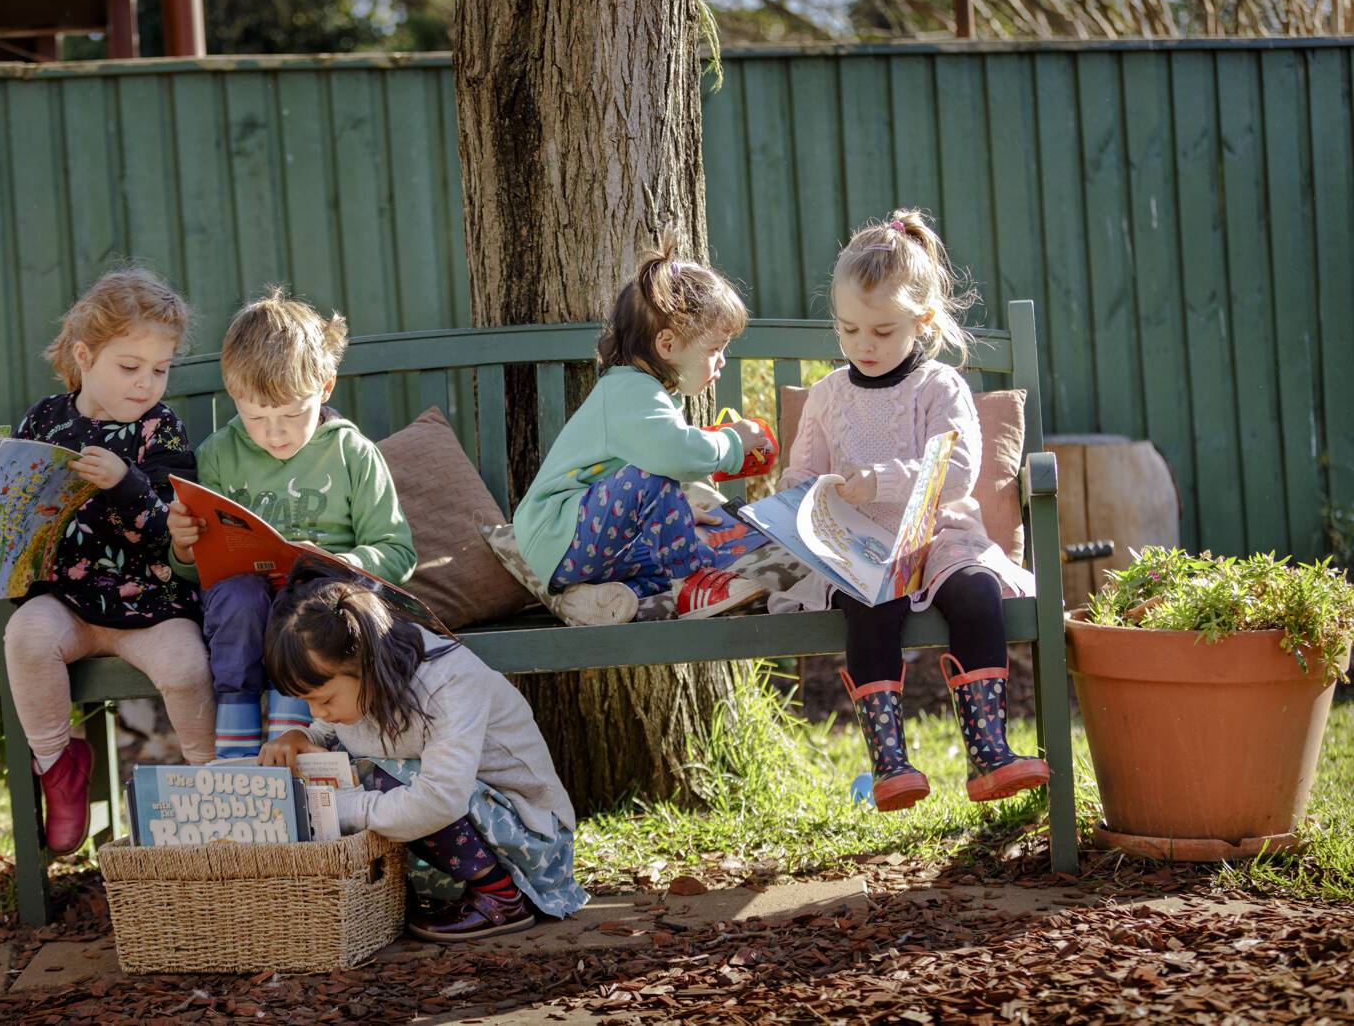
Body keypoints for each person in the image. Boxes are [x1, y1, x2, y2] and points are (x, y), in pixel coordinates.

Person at [777, 209, 1048, 811]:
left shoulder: (938, 388)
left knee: (976, 593)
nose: (862, 346)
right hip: (864, 549)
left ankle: (988, 753)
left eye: (881, 332)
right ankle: (891, 763)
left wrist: (878, 480)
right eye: (848, 331)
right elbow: (799, 477)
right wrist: (804, 495)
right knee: (870, 605)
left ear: (922, 321)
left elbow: (956, 472)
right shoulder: (827, 397)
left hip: (940, 536)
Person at [259, 560, 587, 942]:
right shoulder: (368, 680)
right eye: (308, 703)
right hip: (469, 829)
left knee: (383, 778)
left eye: (325, 699)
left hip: (530, 842)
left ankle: (501, 897)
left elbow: (441, 799)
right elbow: (332, 730)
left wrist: (346, 808)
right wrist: (305, 738)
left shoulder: (448, 683)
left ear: (365, 661)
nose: (319, 712)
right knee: (368, 773)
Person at [3, 267, 216, 854]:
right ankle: (59, 767)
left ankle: (212, 779)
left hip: (149, 601)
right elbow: (22, 511)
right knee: (25, 636)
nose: (145, 383)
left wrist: (125, 483)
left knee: (186, 666)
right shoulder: (44, 421)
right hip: (66, 600)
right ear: (83, 355)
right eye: (129, 367)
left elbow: (169, 535)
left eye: (160, 369)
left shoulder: (160, 430)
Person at [167, 287, 415, 760]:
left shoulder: (352, 454)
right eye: (255, 416)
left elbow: (397, 552)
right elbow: (196, 574)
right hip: (244, 609)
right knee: (237, 598)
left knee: (303, 596)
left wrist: (340, 562)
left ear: (324, 388)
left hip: (323, 610)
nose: (274, 432)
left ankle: (293, 737)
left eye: (290, 415)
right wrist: (183, 548)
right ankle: (236, 754)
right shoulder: (220, 454)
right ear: (234, 396)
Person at [512, 239, 773, 624]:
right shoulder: (629, 392)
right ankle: (693, 585)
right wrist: (733, 442)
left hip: (584, 543)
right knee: (654, 478)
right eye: (716, 349)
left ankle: (589, 600)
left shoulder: (645, 391)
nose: (721, 362)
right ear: (666, 344)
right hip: (560, 532)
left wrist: (677, 516)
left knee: (683, 550)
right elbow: (674, 456)